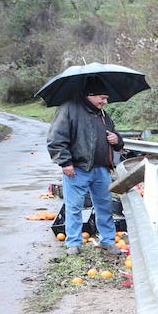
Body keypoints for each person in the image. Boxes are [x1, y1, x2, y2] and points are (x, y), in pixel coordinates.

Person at [46, 79, 125, 256]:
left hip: (101, 169)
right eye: (102, 98)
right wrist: (65, 162)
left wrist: (117, 139)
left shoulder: (103, 114)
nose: (105, 102)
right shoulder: (68, 110)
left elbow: (115, 138)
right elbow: (55, 140)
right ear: (90, 95)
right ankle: (73, 244)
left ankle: (108, 242)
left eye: (106, 98)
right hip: (77, 169)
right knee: (74, 207)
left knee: (105, 207)